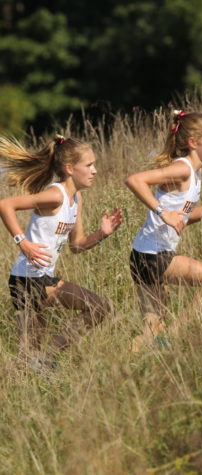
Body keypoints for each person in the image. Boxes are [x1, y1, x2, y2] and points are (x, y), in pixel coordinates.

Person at [0, 135, 122, 369]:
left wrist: (102, 234)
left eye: (94, 164)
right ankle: (45, 362)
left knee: (28, 357)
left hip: (41, 278)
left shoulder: (76, 198)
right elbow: (6, 205)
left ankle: (45, 361)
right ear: (69, 168)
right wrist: (22, 243)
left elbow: (77, 246)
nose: (94, 170)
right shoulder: (55, 195)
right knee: (97, 307)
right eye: (88, 165)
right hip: (26, 279)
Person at [125, 110, 202, 352]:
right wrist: (161, 212)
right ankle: (173, 338)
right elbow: (134, 180)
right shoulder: (183, 169)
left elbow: (185, 219)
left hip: (143, 256)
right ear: (193, 142)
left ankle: (123, 364)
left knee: (149, 337)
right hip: (153, 256)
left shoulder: (194, 173)